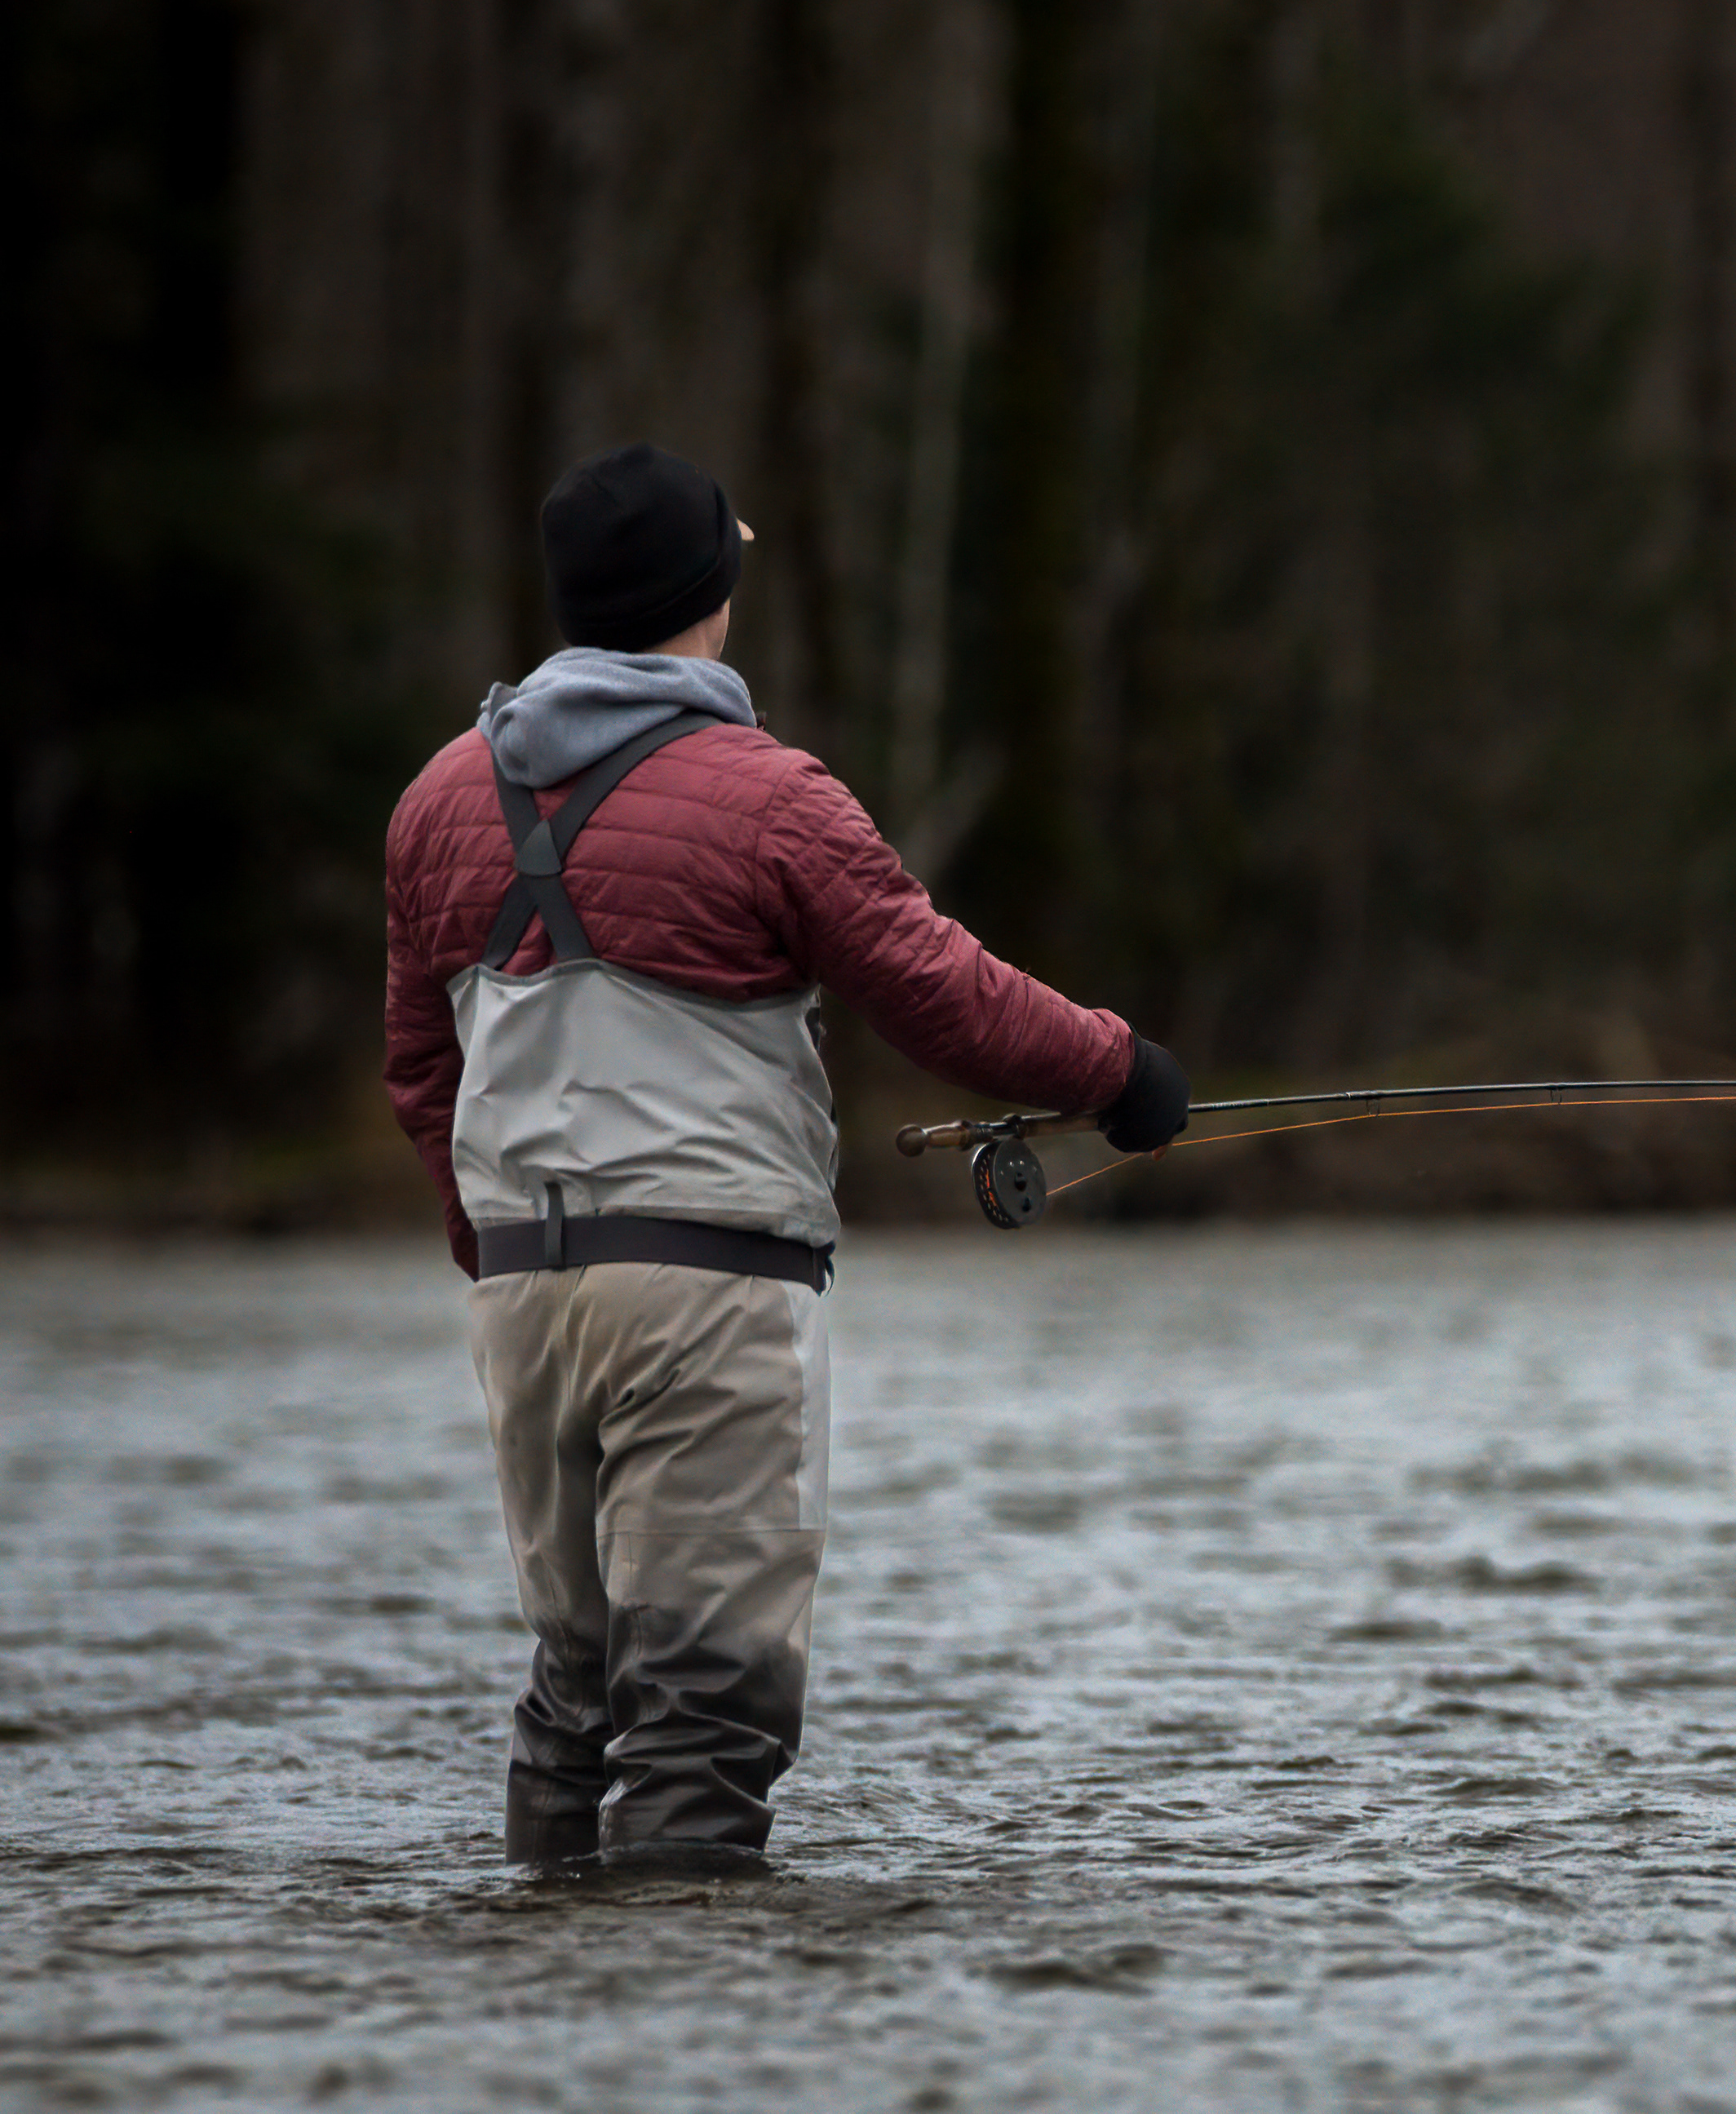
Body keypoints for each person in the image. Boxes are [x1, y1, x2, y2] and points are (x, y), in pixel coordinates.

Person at [383, 442, 1188, 1875]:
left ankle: (544, 2023)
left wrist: (497, 1259)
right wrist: (1119, 1072)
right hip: (711, 1297)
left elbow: (421, 1077)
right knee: (702, 1713)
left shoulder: (438, 800)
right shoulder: (770, 795)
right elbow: (940, 989)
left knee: (574, 1694)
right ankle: (696, 2053)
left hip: (516, 1297)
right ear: (709, 593)